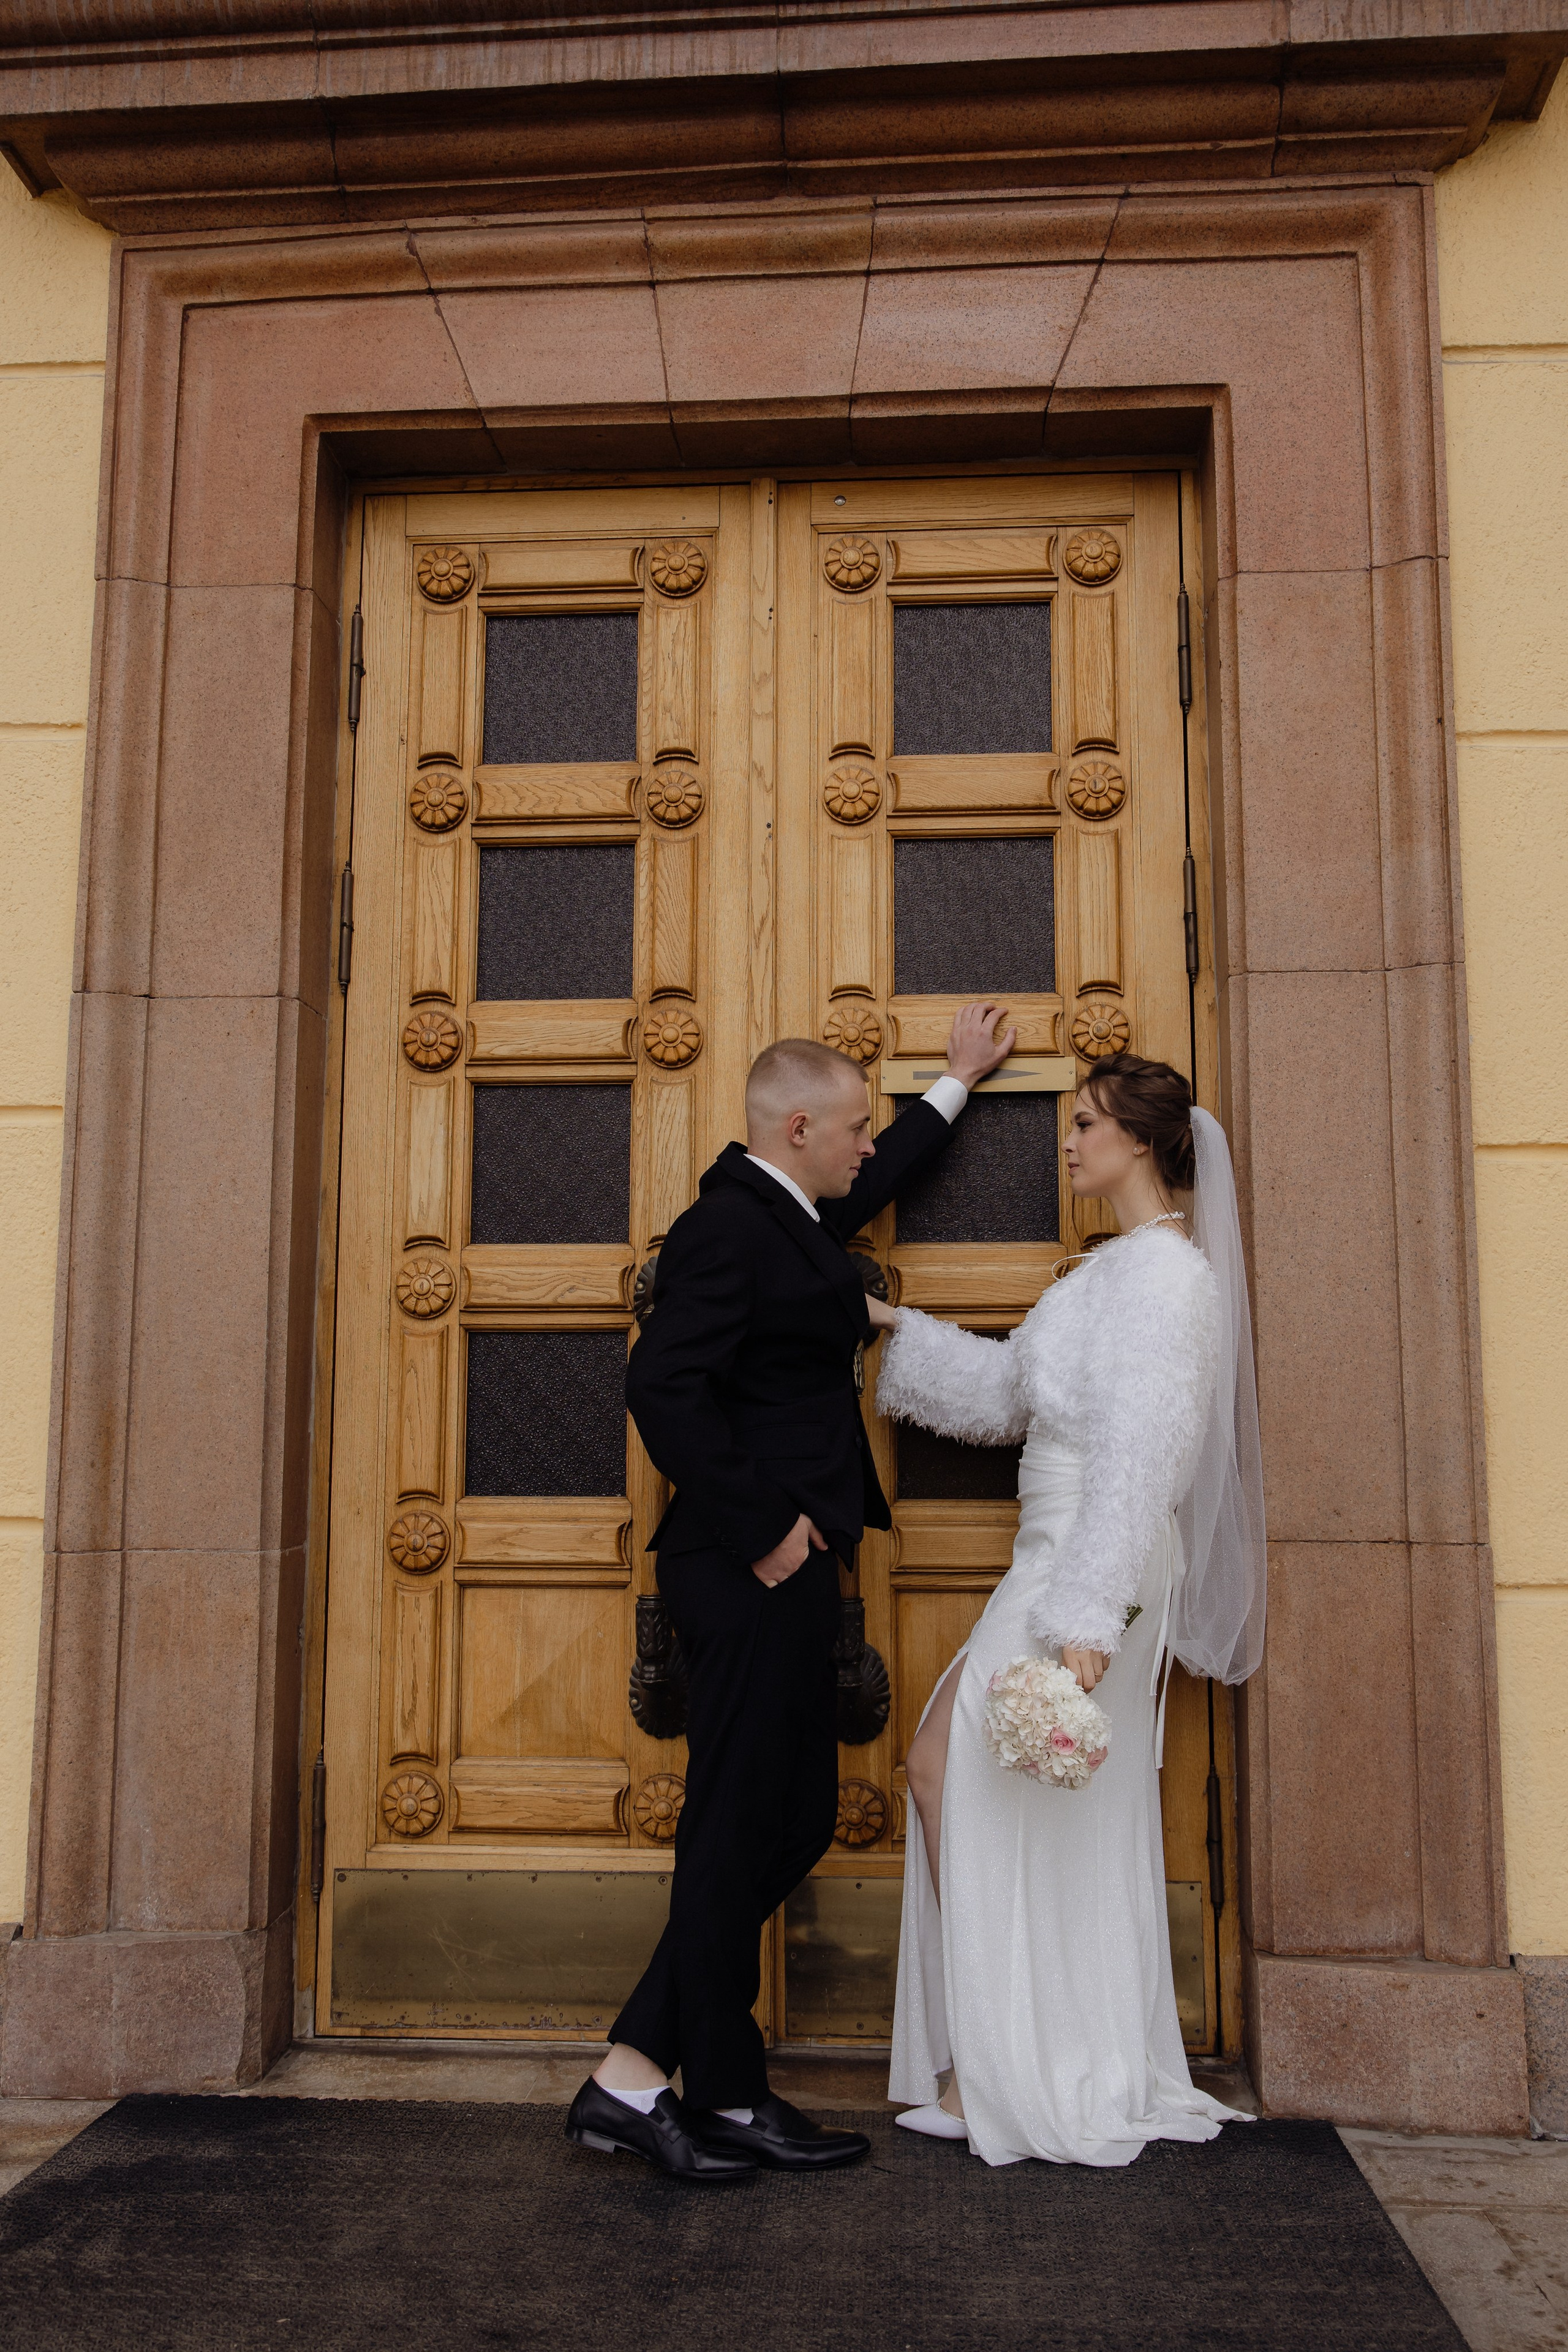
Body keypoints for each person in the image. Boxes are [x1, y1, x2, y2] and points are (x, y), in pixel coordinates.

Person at [565, 1003, 1016, 2182]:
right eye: (859, 1128)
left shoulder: (790, 1216)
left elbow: (868, 1191)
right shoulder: (725, 1227)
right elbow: (662, 1389)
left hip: (792, 1565)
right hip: (745, 1560)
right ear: (800, 1126)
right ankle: (711, 2090)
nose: (869, 1146)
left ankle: (644, 2075)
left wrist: (955, 1086)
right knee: (734, 1827)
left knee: (792, 1818)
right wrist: (767, 1529)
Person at [872, 1052, 1267, 2168]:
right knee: (967, 1778)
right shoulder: (1102, 1274)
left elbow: (1147, 1457)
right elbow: (1008, 1400)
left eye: (1086, 1124)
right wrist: (896, 1333)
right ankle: (984, 2062)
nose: (1068, 1140)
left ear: (1140, 1142)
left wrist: (1090, 1614)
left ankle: (1002, 2068)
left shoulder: (1168, 1281)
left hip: (1094, 1567)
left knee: (948, 1765)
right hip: (1046, 1552)